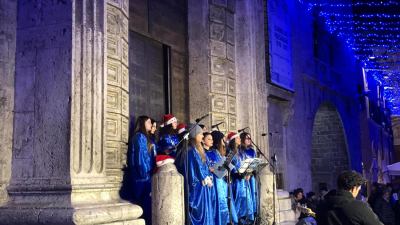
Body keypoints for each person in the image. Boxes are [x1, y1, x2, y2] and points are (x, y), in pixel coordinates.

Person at [317, 170, 383, 225]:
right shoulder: (359, 207)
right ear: (353, 188)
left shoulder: (323, 206)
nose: (357, 193)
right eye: (358, 190)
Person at [184, 124, 215, 225]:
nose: (202, 136)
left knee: (206, 212)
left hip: (203, 187)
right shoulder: (190, 151)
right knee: (200, 214)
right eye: (200, 133)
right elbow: (192, 171)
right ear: (194, 134)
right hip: (198, 189)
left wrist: (208, 176)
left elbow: (204, 166)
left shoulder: (198, 149)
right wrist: (203, 178)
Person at [206, 131, 238, 225]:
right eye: (222, 140)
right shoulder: (210, 153)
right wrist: (216, 169)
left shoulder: (219, 152)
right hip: (217, 183)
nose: (224, 142)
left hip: (224, 182)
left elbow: (223, 166)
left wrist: (227, 170)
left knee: (228, 205)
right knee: (221, 206)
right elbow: (212, 168)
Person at [128, 115, 155, 224]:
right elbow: (139, 158)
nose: (151, 124)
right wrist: (146, 174)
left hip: (146, 176)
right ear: (143, 123)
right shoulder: (139, 137)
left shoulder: (144, 137)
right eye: (148, 122)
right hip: (142, 178)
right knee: (143, 206)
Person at [229, 131, 255, 224]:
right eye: (238, 138)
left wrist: (248, 173)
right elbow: (230, 167)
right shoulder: (231, 152)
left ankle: (245, 220)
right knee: (238, 201)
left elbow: (245, 164)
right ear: (233, 141)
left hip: (244, 181)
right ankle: (237, 220)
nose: (240, 139)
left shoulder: (241, 152)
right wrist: (238, 173)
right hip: (237, 181)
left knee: (247, 201)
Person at [239, 132, 258, 218]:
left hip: (251, 176)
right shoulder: (240, 150)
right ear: (243, 139)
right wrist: (246, 173)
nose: (249, 140)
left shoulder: (252, 151)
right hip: (243, 177)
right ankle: (244, 216)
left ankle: (252, 215)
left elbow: (254, 163)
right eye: (247, 138)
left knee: (253, 194)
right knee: (245, 197)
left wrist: (250, 173)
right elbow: (240, 164)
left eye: (250, 138)